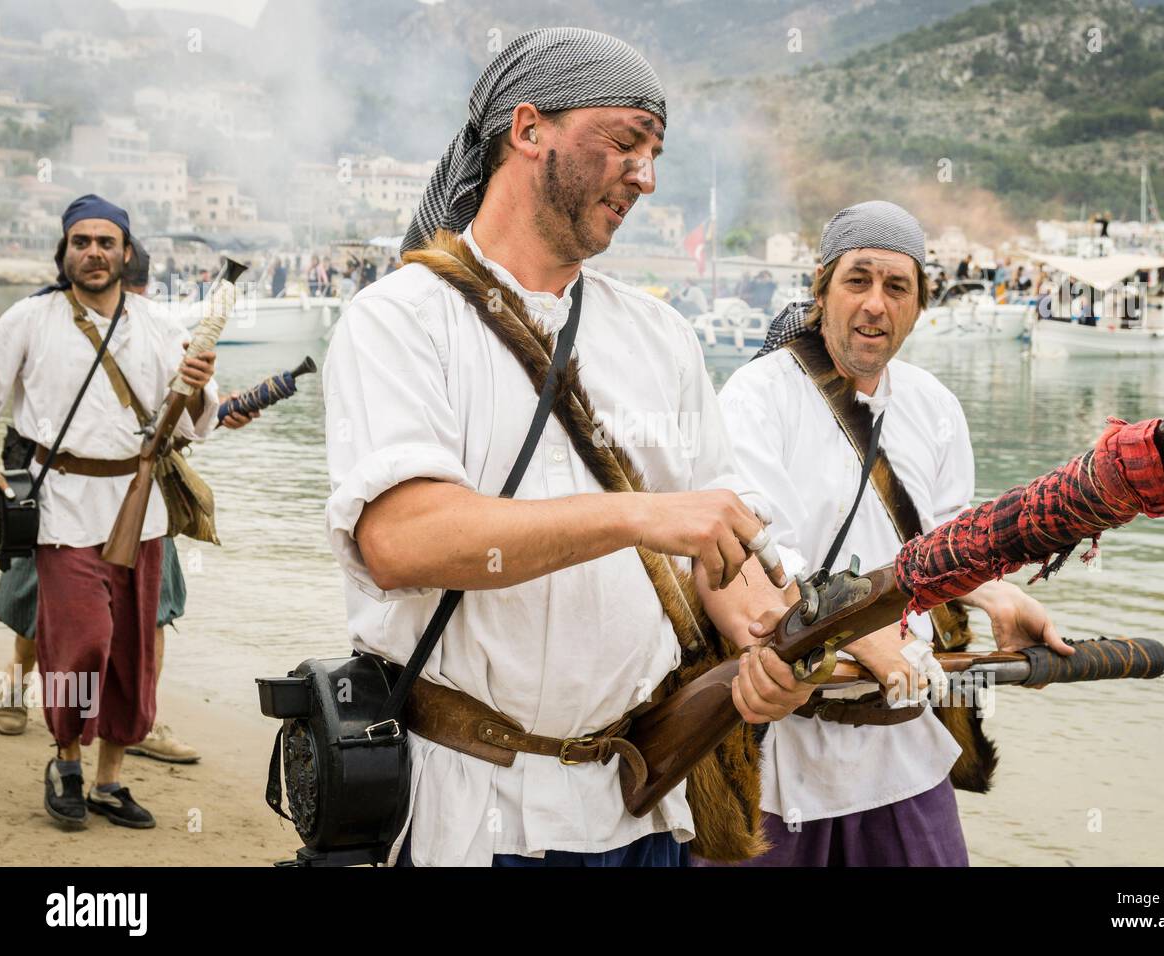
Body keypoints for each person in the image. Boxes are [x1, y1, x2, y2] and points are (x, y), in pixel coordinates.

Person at [326, 27, 811, 868]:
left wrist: (771, 644)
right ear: (528, 129)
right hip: (467, 815)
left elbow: (718, 556)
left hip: (634, 811)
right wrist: (638, 515)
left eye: (656, 154)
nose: (647, 178)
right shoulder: (399, 318)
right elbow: (403, 544)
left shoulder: (664, 337)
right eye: (625, 142)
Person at [710, 201, 1068, 866]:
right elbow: (752, 556)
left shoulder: (935, 408)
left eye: (896, 287)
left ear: (919, 305)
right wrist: (853, 625)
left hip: (904, 745)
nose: (875, 304)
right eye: (857, 281)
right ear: (821, 290)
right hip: (782, 742)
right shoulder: (755, 397)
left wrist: (998, 597)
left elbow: (945, 551)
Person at [0, 195, 220, 829]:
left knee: (128, 654)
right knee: (81, 644)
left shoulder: (157, 323)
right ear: (64, 251)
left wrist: (200, 382)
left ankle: (108, 781)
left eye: (105, 242)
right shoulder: (28, 318)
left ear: (125, 252)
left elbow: (199, 422)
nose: (93, 252)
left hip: (138, 512)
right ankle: (65, 760)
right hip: (62, 510)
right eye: (80, 242)